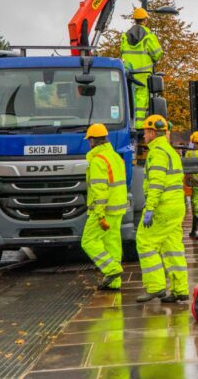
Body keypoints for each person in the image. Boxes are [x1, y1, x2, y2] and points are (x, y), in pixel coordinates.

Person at [135, 114, 189, 303]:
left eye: (145, 132)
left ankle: (156, 286)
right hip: (176, 206)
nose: (143, 136)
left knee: (144, 241)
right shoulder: (171, 151)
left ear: (152, 132)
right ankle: (180, 289)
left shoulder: (157, 152)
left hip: (162, 208)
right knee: (172, 247)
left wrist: (150, 208)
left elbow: (156, 183)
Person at [81, 123, 128, 290]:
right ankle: (115, 282)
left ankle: (111, 269)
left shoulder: (97, 160)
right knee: (112, 243)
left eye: (89, 140)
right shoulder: (115, 157)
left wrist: (100, 215)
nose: (89, 143)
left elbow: (100, 189)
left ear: (93, 141)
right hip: (118, 208)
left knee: (88, 241)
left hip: (104, 211)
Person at [120, 7, 163, 129]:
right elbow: (158, 53)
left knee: (128, 98)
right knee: (141, 99)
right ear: (145, 20)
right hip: (143, 75)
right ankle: (138, 126)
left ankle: (128, 124)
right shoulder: (149, 36)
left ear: (135, 20)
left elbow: (121, 53)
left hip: (128, 74)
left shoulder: (124, 36)